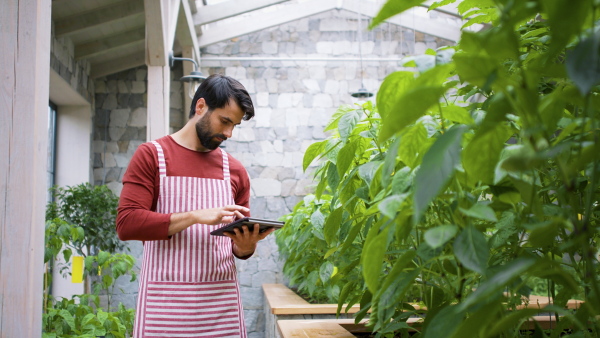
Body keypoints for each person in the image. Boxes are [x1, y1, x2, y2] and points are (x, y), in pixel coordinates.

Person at [116, 74, 273, 338]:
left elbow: (238, 247)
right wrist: (195, 216)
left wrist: (245, 247)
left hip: (220, 308)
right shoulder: (152, 156)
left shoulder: (234, 170)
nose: (228, 133)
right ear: (200, 107)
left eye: (234, 125)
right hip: (163, 306)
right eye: (225, 121)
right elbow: (127, 224)